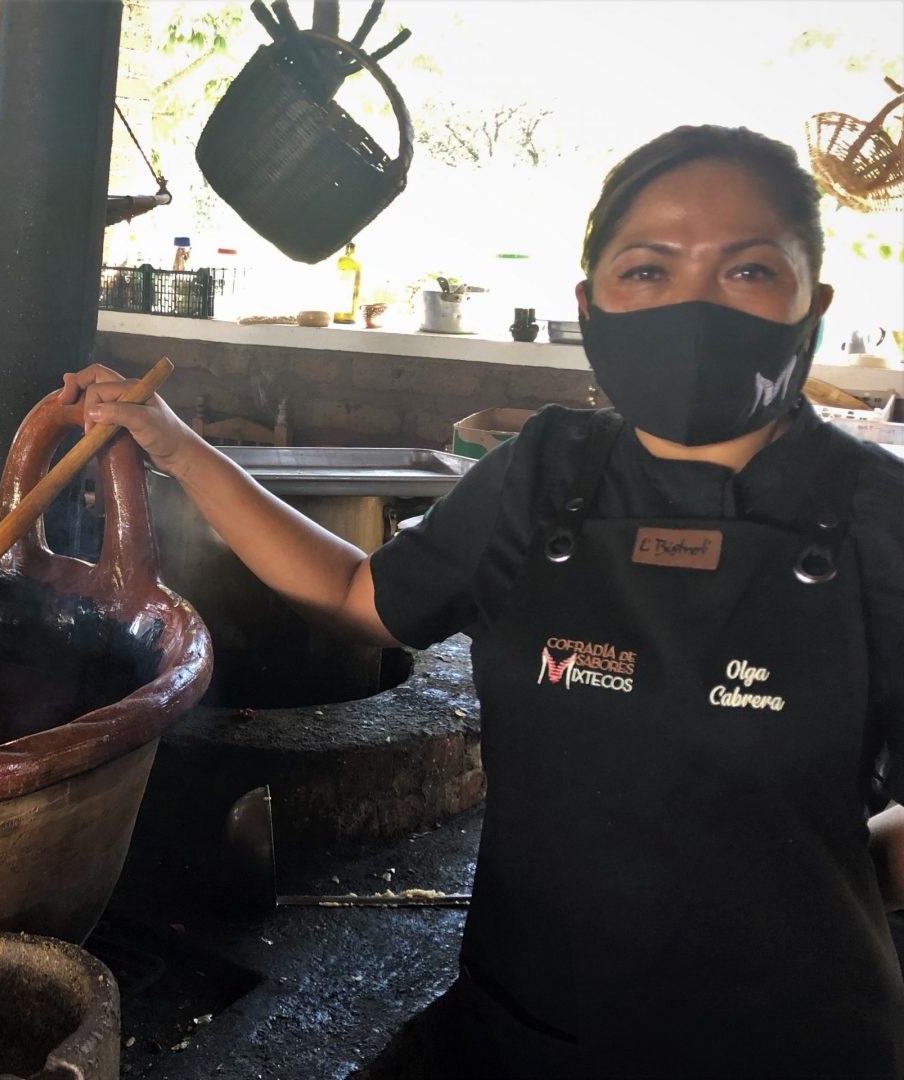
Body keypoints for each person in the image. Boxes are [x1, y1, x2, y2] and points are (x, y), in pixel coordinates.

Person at [60, 125, 904, 1077]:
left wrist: (825, 887)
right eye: (648, 270)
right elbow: (354, 592)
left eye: (749, 270)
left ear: (813, 306)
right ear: (590, 305)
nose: (694, 306)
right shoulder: (546, 473)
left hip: (792, 1038)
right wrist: (177, 447)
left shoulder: (883, 518)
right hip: (533, 1018)